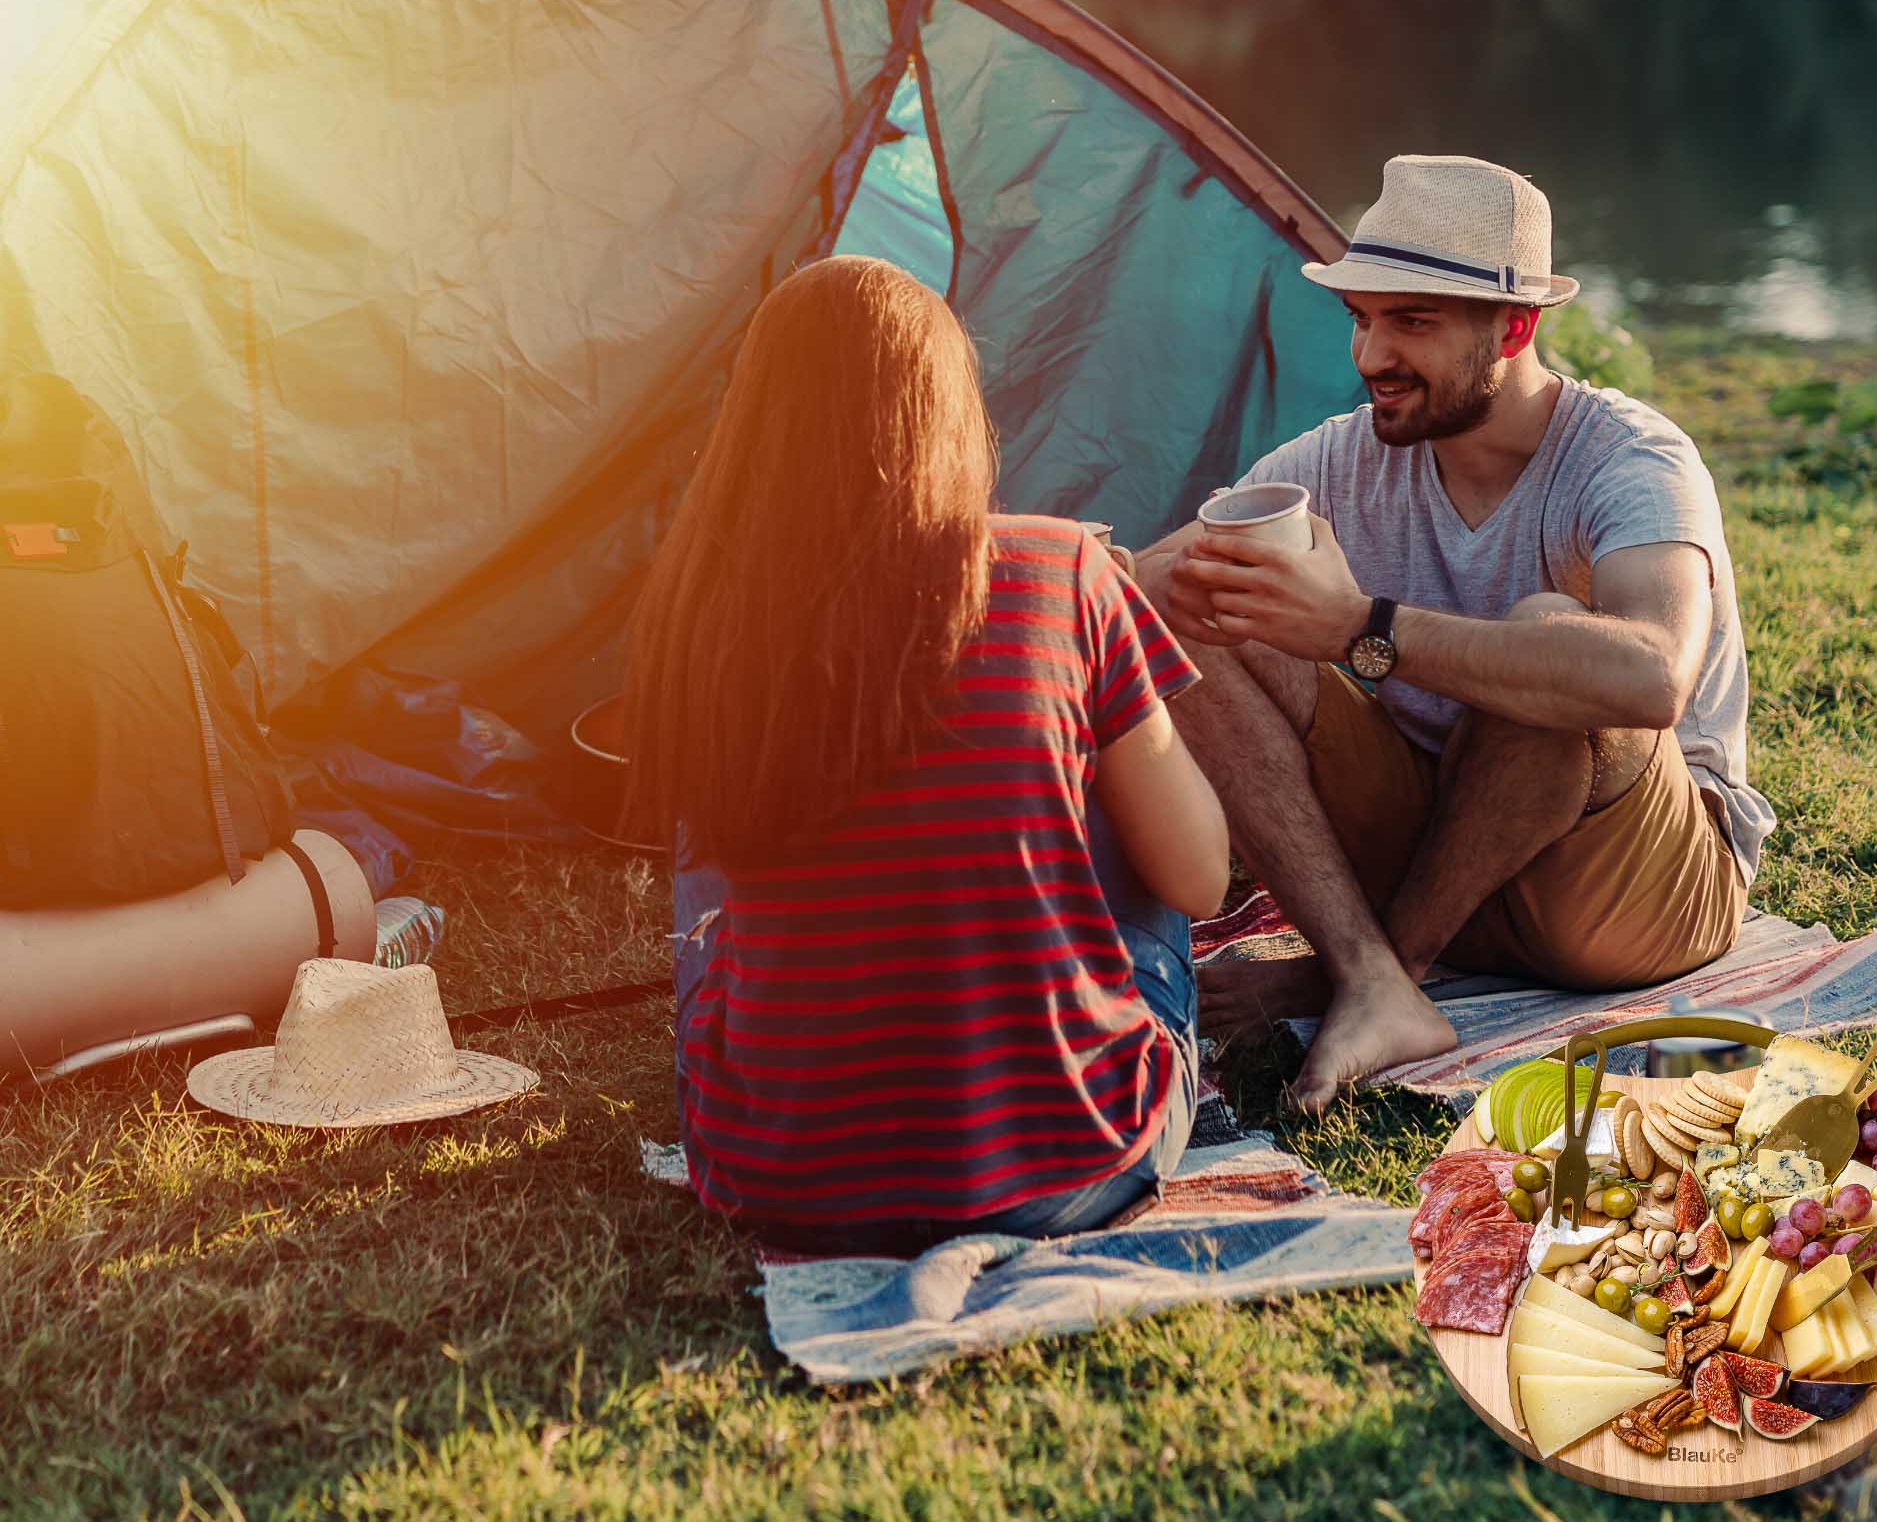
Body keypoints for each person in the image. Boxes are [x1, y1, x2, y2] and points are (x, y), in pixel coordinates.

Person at [1137, 155, 1774, 1110]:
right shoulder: (1340, 459)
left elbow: (1651, 680)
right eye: (1362, 319)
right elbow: (1133, 596)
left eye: (1413, 322)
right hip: (1442, 844)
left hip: (1631, 888)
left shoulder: (1631, 459)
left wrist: (1360, 627)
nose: (1369, 357)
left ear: (1516, 326)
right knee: (1203, 616)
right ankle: (1372, 976)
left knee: (1555, 641)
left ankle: (1386, 966)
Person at [622, 255, 1228, 1254]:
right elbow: (1199, 877)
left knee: (710, 853)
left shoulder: (702, 607)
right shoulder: (1063, 566)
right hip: (1068, 1161)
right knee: (1126, 800)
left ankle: (799, 1038)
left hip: (776, 1176)